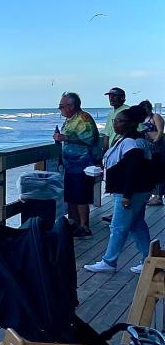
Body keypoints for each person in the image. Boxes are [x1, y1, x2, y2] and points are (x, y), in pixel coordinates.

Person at [85, 106, 154, 274]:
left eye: (119, 121)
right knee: (136, 225)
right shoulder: (128, 139)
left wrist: (127, 195)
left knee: (118, 227)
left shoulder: (131, 142)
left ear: (129, 124)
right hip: (136, 190)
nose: (115, 124)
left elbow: (133, 168)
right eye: (115, 121)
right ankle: (148, 259)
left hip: (129, 191)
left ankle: (109, 262)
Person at [53, 92, 101, 237]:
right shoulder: (69, 119)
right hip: (70, 164)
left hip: (83, 164)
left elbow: (89, 139)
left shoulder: (83, 118)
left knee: (80, 196)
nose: (59, 109)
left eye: (61, 106)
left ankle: (84, 226)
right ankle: (74, 224)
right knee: (71, 196)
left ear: (71, 106)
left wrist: (64, 137)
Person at [137, 100, 165, 205]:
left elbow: (160, 132)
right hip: (146, 148)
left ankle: (158, 197)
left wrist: (154, 142)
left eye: (146, 108)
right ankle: (151, 195)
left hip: (156, 146)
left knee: (159, 171)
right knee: (150, 172)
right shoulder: (141, 119)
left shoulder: (155, 117)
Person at [101, 87, 129, 151]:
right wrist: (105, 151)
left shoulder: (128, 111)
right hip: (111, 150)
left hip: (123, 149)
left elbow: (140, 131)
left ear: (122, 98)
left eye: (114, 96)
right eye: (110, 96)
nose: (111, 98)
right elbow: (107, 134)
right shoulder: (110, 113)